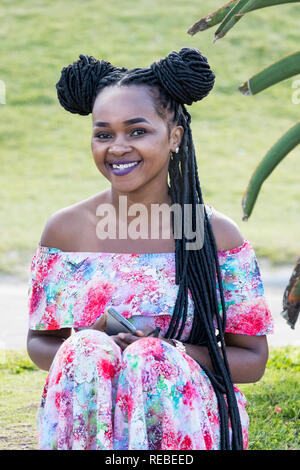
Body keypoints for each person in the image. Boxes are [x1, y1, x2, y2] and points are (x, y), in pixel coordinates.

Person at [27, 48, 274, 450]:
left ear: (174, 136)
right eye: (104, 133)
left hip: (183, 415)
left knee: (149, 361)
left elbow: (253, 360)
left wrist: (170, 350)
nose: (118, 147)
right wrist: (91, 343)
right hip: (95, 412)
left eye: (137, 131)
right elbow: (39, 343)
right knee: (87, 349)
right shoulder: (66, 231)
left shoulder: (208, 233)